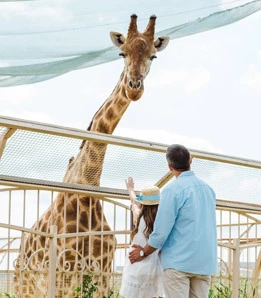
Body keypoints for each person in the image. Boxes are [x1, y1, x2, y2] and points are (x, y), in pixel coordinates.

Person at [129, 144, 217, 298]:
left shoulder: (172, 190)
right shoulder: (209, 190)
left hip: (178, 264)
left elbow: (161, 232)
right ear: (190, 161)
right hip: (204, 263)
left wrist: (143, 252)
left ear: (170, 167)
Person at [120, 177, 164, 298]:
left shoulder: (138, 216)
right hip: (154, 267)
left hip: (135, 264)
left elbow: (134, 202)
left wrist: (130, 189)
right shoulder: (162, 221)